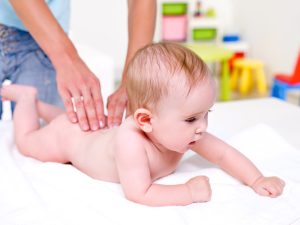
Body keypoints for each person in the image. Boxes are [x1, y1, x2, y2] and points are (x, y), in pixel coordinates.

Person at [0, 42, 285, 206]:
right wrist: (188, 192)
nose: (202, 126)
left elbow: (224, 154)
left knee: (64, 118)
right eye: (191, 119)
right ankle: (27, 99)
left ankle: (44, 109)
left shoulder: (188, 134)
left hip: (91, 131)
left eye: (205, 113)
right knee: (28, 142)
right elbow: (139, 192)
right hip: (70, 143)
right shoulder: (131, 142)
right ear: (146, 120)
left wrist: (257, 179)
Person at [0, 0, 156, 131]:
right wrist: (66, 57)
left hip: (42, 32)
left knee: (41, 130)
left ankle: (27, 99)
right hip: (45, 33)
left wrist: (134, 77)